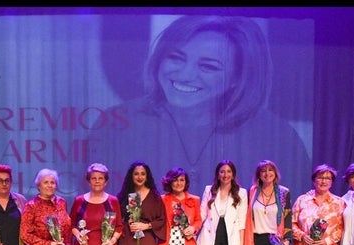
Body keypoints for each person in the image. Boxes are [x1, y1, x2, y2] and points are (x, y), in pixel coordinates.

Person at [89, 15, 311, 196]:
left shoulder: (277, 136)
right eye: (176, 58)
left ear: (237, 77)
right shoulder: (117, 122)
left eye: (208, 66)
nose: (185, 75)